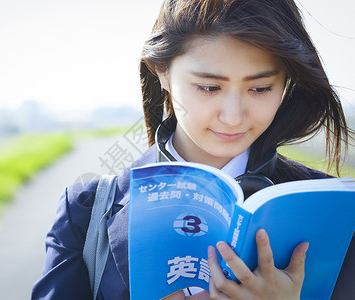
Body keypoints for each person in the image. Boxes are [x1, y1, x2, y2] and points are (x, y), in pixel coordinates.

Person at [31, 0, 354, 299]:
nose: (232, 116)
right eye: (209, 87)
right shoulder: (86, 212)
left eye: (260, 88)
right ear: (162, 73)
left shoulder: (332, 209)